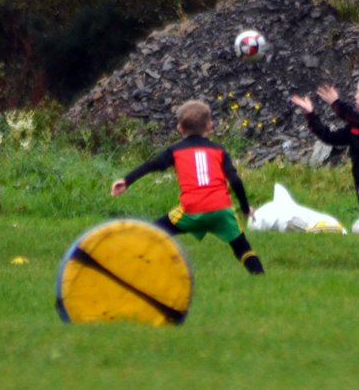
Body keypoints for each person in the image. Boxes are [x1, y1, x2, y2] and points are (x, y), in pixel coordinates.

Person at [111, 100, 264, 274]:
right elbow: (235, 180)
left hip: (192, 210)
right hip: (221, 210)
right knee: (242, 248)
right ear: (209, 126)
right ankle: (260, 277)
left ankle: (124, 264)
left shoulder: (175, 151)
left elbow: (151, 165)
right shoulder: (219, 151)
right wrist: (245, 208)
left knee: (153, 232)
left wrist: (126, 180)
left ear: (180, 128)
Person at [290, 74, 359, 270]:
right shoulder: (356, 125)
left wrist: (337, 104)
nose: (355, 96)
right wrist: (311, 115)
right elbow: (330, 137)